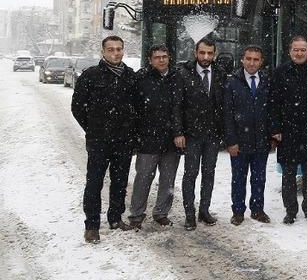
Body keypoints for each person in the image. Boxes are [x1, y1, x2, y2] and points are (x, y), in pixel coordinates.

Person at [72, 35, 140, 244]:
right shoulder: (91, 75)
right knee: (94, 183)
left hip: (123, 141)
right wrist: (93, 129)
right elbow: (77, 107)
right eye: (110, 49)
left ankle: (115, 218)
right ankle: (92, 226)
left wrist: (131, 133)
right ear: (103, 52)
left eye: (119, 49)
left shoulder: (130, 76)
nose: (115, 53)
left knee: (119, 182)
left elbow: (137, 108)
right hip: (99, 141)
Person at [269, 35, 307, 224]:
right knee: (288, 175)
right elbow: (273, 103)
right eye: (296, 49)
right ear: (290, 51)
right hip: (288, 132)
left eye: (303, 49)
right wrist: (276, 128)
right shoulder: (279, 73)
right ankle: (290, 210)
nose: (299, 53)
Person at [128, 45, 182, 230]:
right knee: (143, 179)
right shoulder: (141, 79)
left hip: (171, 140)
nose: (161, 60)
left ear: (169, 58)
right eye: (157, 57)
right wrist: (136, 136)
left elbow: (180, 108)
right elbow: (133, 110)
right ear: (150, 60)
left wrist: (179, 132)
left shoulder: (177, 78)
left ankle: (161, 213)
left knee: (168, 180)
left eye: (164, 57)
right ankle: (136, 215)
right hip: (147, 140)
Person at [175, 37, 226, 231]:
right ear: (195, 53)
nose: (206, 57)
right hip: (191, 135)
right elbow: (177, 106)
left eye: (210, 53)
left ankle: (204, 210)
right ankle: (190, 214)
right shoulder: (183, 74)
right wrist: (179, 132)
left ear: (214, 54)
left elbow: (222, 106)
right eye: (202, 52)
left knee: (209, 173)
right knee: (190, 174)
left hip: (212, 135)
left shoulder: (220, 74)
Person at [224, 45, 272, 225]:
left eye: (256, 59)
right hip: (239, 141)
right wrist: (231, 140)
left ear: (261, 61)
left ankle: (257, 209)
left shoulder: (267, 81)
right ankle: (238, 211)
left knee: (259, 178)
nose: (252, 63)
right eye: (249, 59)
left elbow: (271, 110)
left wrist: (271, 136)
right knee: (238, 178)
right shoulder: (232, 82)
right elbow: (227, 114)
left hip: (261, 140)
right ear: (242, 59)